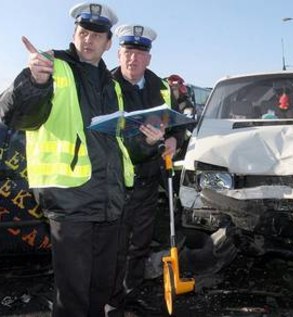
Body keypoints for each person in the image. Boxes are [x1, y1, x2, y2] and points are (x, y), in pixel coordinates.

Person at [0, 3, 137, 316]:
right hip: (70, 198)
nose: (88, 39)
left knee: (99, 288)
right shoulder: (51, 66)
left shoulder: (112, 84)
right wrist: (34, 82)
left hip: (109, 199)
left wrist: (148, 138)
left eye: (96, 35)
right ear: (74, 34)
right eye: (82, 32)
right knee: (73, 294)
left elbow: (113, 138)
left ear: (107, 43)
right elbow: (17, 115)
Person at [107, 24, 185, 315]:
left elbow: (180, 125)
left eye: (139, 53)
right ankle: (110, 300)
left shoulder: (161, 87)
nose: (133, 59)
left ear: (148, 58)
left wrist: (176, 139)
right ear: (119, 53)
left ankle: (129, 296)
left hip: (149, 179)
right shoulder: (107, 84)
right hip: (115, 182)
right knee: (113, 248)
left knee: (139, 245)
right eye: (128, 52)